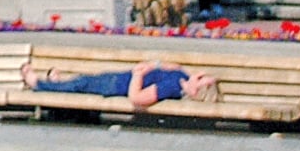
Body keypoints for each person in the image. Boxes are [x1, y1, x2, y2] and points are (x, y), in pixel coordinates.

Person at [20, 57, 217, 109]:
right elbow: (174, 65)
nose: (198, 74)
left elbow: (137, 98)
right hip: (119, 79)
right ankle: (57, 84)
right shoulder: (181, 76)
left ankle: (38, 84)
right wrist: (154, 64)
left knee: (81, 84)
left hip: (117, 86)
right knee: (83, 83)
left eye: (200, 80)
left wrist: (139, 74)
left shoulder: (172, 88)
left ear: (195, 94)